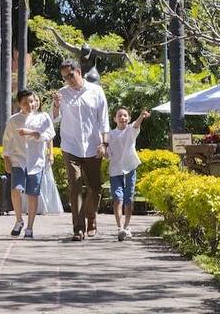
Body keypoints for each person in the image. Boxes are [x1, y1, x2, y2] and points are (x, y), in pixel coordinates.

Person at [52, 58, 110, 241]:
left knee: (95, 187)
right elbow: (55, 119)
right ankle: (78, 228)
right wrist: (56, 105)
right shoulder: (62, 94)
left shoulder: (96, 91)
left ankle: (91, 218)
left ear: (78, 71)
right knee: (74, 186)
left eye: (70, 75)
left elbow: (104, 119)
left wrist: (104, 143)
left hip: (93, 145)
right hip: (71, 146)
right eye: (65, 77)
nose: (68, 80)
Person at [2, 89, 56, 238]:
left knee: (33, 194)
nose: (30, 105)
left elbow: (49, 134)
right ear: (19, 104)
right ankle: (19, 220)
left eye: (31, 101)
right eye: (25, 103)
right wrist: (6, 159)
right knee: (16, 189)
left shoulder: (43, 117)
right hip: (18, 160)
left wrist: (33, 134)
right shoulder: (14, 120)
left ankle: (30, 227)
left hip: (36, 161)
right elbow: (6, 140)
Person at [109, 107, 151, 240]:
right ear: (114, 119)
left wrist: (142, 116)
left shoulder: (131, 131)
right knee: (118, 198)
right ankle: (120, 228)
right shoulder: (110, 134)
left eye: (125, 116)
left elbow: (136, 125)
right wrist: (102, 152)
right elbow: (107, 153)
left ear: (129, 118)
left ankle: (127, 226)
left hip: (130, 168)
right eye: (120, 116)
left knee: (129, 199)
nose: (123, 118)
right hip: (115, 170)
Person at [22, 93, 64, 215]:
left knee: (44, 180)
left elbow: (49, 136)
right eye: (32, 100)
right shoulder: (24, 116)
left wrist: (51, 153)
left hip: (41, 153)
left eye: (37, 100)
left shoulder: (44, 116)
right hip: (27, 153)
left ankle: (44, 206)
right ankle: (30, 206)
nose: (35, 103)